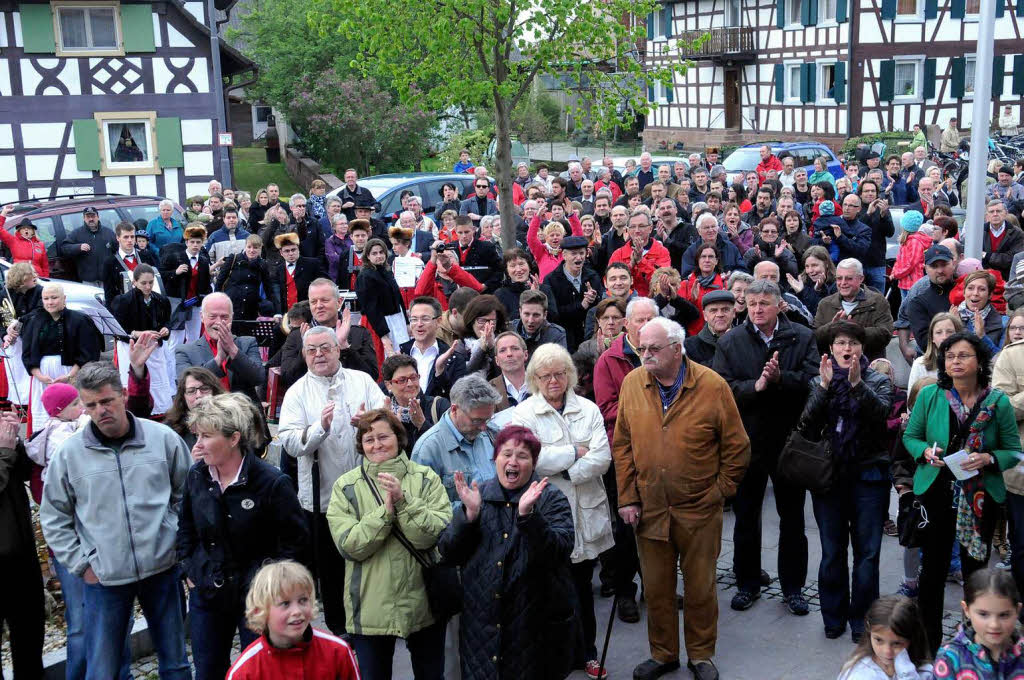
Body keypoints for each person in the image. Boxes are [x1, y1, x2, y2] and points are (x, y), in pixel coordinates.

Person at [613, 317, 749, 680]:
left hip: (699, 509)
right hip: (649, 508)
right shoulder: (632, 383)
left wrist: (721, 490)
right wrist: (627, 497)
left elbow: (737, 446)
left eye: (653, 349)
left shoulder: (711, 385)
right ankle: (663, 654)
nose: (645, 355)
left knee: (701, 587)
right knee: (657, 588)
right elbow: (623, 444)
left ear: (677, 349)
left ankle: (701, 655)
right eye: (642, 348)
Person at [40, 361, 192, 679]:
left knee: (175, 663)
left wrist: (173, 538)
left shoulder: (162, 439)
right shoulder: (69, 455)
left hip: (162, 570)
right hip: (104, 578)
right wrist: (83, 564)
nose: (100, 411)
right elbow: (54, 516)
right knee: (104, 670)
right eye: (91, 404)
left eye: (107, 401)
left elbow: (188, 494)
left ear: (122, 395)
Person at [903, 332, 1022, 654]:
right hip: (936, 493)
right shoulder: (931, 396)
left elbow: (1013, 449)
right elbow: (911, 437)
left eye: (963, 355)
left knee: (975, 573)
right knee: (932, 573)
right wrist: (925, 452)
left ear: (979, 361)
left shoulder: (997, 402)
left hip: (979, 498)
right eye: (950, 356)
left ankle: (976, 645)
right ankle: (928, 645)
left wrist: (989, 458)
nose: (955, 361)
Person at [177, 392, 307, 680]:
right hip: (209, 595)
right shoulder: (197, 476)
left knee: (264, 672)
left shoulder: (271, 483)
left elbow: (295, 544)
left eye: (206, 436)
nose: (197, 445)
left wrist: (264, 583)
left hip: (259, 601)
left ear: (233, 439)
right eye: (197, 436)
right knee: (208, 671)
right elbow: (185, 530)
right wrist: (193, 571)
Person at [439, 424, 582, 680]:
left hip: (532, 627)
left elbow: (559, 552)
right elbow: (449, 553)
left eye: (522, 456)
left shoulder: (550, 498)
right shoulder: (479, 495)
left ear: (534, 462)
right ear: (495, 458)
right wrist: (467, 517)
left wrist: (529, 517)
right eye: (506, 454)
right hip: (481, 627)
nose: (512, 461)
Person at [713, 279, 818, 616]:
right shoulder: (731, 340)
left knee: (792, 520)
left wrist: (781, 379)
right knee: (746, 517)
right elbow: (722, 388)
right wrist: (755, 386)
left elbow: (814, 381)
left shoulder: (801, 336)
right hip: (747, 440)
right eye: (752, 303)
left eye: (764, 303)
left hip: (789, 442)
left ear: (778, 305)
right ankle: (747, 583)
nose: (757, 309)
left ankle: (793, 588)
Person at [508, 344, 613, 679]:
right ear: (535, 379)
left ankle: (588, 653)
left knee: (582, 588)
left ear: (570, 374)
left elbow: (603, 457)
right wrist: (574, 452)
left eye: (559, 373)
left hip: (585, 513)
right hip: (548, 516)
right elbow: (531, 460)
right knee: (547, 591)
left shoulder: (588, 408)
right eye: (545, 375)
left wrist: (566, 468)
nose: (553, 380)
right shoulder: (524, 414)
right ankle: (554, 655)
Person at [323, 407, 451, 680]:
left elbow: (433, 534)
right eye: (369, 440)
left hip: (424, 603)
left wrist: (403, 502)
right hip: (369, 607)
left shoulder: (425, 478)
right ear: (361, 446)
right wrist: (385, 514)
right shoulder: (345, 486)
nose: (376, 445)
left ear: (399, 438)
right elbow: (349, 545)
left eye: (383, 437)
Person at [278, 324, 386, 635]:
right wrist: (319, 428)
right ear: (303, 355)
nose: (319, 355)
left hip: (367, 493)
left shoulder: (362, 381)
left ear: (338, 350)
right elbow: (289, 441)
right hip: (321, 498)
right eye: (311, 350)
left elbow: (386, 420)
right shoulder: (297, 392)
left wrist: (367, 423)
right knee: (332, 571)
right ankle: (341, 632)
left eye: (325, 348)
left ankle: (375, 625)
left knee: (371, 564)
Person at [796, 321, 894, 641]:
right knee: (832, 551)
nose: (846, 348)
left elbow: (882, 419)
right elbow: (807, 426)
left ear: (862, 348)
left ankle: (862, 620)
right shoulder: (817, 380)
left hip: (869, 476)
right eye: (840, 343)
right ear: (832, 348)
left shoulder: (878, 380)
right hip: (830, 477)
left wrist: (857, 386)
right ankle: (833, 617)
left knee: (867, 554)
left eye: (852, 342)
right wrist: (824, 390)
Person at [225, 560, 361, 679]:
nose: (297, 611)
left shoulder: (338, 652)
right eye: (285, 603)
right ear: (261, 611)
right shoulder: (245, 671)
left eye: (303, 600)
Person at [22, 283, 101, 435]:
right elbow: (27, 352)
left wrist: (70, 375)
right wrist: (38, 375)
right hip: (42, 376)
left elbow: (88, 350)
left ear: (64, 299)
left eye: (54, 298)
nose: (50, 302)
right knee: (44, 413)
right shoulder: (33, 321)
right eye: (46, 298)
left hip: (70, 372)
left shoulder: (79, 320)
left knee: (73, 410)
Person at [0, 407, 43, 679]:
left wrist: (15, 440)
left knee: (29, 643)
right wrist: (4, 451)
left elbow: (26, 473)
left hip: (21, 557)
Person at [174, 292, 266, 403]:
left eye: (224, 317)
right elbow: (186, 386)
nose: (218, 322)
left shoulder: (248, 343)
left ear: (232, 317)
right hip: (204, 415)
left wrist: (232, 349)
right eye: (212, 316)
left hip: (244, 415)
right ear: (202, 317)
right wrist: (218, 359)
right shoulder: (185, 351)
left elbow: (258, 378)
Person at [109, 264, 175, 414]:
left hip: (154, 348)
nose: (148, 286)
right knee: (134, 379)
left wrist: (166, 329)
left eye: (151, 282)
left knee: (157, 379)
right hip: (131, 348)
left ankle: (159, 411)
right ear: (134, 282)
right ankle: (133, 410)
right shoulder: (123, 301)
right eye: (143, 283)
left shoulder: (161, 300)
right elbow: (118, 330)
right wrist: (137, 333)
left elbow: (167, 321)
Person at [934, 569, 1024, 677]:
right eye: (983, 614)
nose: (994, 625)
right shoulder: (950, 658)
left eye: (1004, 615)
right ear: (966, 609)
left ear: (1017, 611)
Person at [812, 258, 894, 360]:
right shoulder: (825, 304)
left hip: (869, 364)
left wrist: (854, 330)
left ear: (861, 279)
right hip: (834, 367)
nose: (843, 283)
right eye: (839, 278)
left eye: (849, 278)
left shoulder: (878, 301)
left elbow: (885, 335)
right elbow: (815, 338)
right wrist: (832, 327)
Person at [836, 595, 933, 680]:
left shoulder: (924, 670)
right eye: (878, 640)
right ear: (869, 630)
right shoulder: (860, 674)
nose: (887, 651)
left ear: (912, 638)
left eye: (896, 643)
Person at [400, 296, 467, 401]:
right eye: (414, 319)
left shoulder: (454, 359)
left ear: (439, 321)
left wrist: (440, 373)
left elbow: (457, 400)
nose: (419, 324)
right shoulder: (400, 354)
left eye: (425, 319)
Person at [543, 236, 603, 352]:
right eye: (574, 254)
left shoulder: (593, 276)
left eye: (581, 253)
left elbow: (599, 309)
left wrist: (595, 299)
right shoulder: (551, 280)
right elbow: (553, 315)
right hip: (564, 340)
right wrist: (581, 306)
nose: (579, 258)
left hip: (589, 340)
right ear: (564, 255)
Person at [381, 354, 451, 451]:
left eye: (413, 377)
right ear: (388, 385)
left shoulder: (439, 406)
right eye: (402, 380)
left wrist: (422, 424)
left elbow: (451, 445)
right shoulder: (383, 415)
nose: (410, 384)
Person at [357, 237, 407, 368]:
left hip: (397, 320)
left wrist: (407, 322)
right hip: (380, 324)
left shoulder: (387, 271)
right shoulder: (365, 276)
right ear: (367, 256)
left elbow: (399, 298)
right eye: (374, 253)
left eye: (381, 252)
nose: (379, 256)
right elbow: (371, 308)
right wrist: (384, 336)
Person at [162, 224, 213, 345]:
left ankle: (190, 362)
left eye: (198, 242)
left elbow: (206, 284)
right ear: (186, 242)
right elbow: (161, 275)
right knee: (176, 339)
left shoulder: (204, 261)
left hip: (195, 303)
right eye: (192, 242)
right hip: (179, 303)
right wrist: (175, 272)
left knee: (194, 337)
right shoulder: (174, 257)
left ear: (202, 243)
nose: (195, 245)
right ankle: (173, 364)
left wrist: (204, 298)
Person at [609, 209, 671, 298]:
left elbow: (661, 283)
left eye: (641, 226)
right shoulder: (618, 254)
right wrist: (631, 264)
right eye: (633, 227)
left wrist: (641, 261)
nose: (637, 230)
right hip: (624, 303)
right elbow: (612, 283)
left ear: (650, 228)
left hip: (653, 303)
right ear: (628, 230)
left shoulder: (662, 251)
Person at [906, 245, 958, 352]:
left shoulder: (969, 292)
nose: (940, 270)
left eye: (944, 264)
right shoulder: (918, 303)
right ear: (926, 269)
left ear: (953, 263)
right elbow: (925, 343)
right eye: (934, 266)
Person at [165, 366, 224, 451]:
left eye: (204, 389)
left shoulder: (230, 421)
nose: (199, 395)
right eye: (191, 391)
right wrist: (191, 461)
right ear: (183, 397)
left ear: (214, 392)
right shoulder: (171, 430)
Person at [61, 206, 116, 286]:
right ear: (84, 218)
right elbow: (64, 248)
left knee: (108, 298)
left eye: (93, 216)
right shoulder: (77, 233)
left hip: (106, 279)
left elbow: (118, 250)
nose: (91, 219)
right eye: (88, 217)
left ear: (98, 217)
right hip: (87, 281)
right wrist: (78, 247)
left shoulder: (109, 233)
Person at [908, 313, 962, 392]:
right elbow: (912, 401)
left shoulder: (969, 362)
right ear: (932, 338)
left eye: (950, 332)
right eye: (939, 332)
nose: (944, 337)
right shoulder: (920, 364)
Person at [956, 269, 1005, 353]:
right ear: (964, 292)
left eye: (982, 289)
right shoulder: (951, 317)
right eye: (970, 288)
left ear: (990, 295)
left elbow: (1001, 359)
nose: (975, 293)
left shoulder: (1003, 323)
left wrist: (982, 336)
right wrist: (955, 327)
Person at [684, 290, 735, 367]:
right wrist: (724, 348)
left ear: (734, 313)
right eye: (713, 310)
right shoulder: (690, 346)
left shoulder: (745, 339)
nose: (720, 314)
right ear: (705, 315)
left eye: (725, 309)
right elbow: (697, 375)